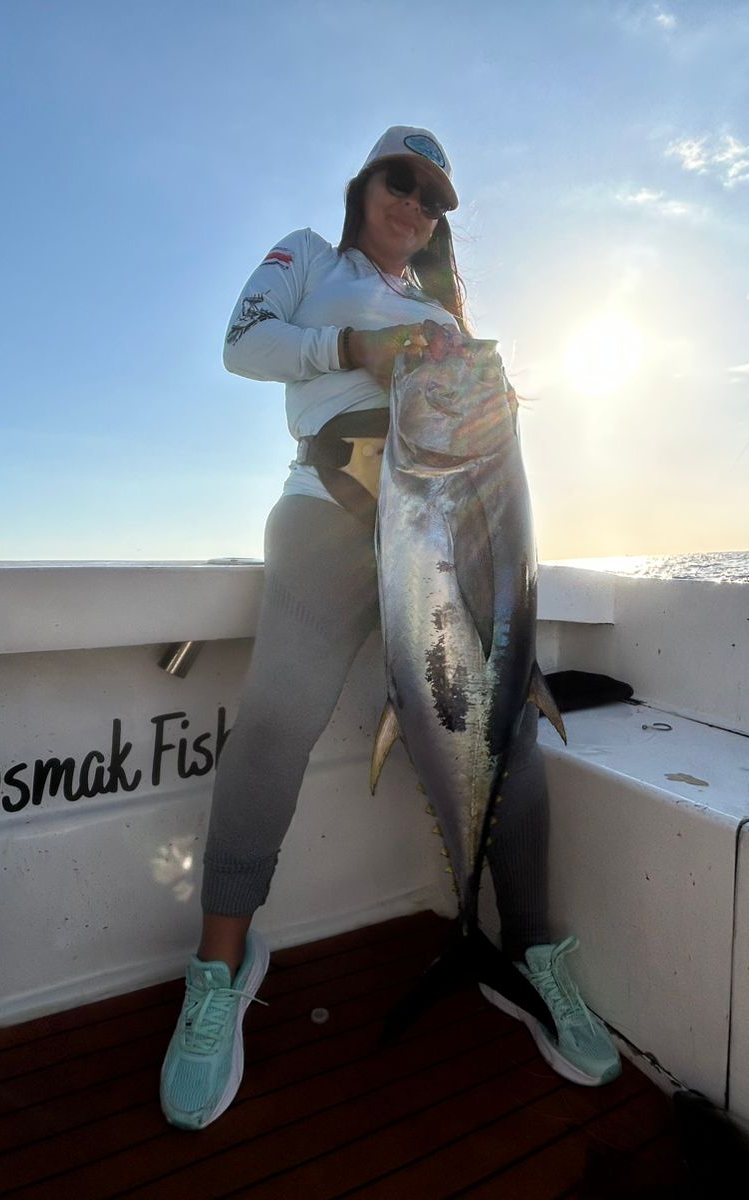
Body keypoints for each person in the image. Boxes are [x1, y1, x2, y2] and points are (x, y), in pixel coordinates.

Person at [159, 126, 620, 1131]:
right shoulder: (309, 260)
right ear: (361, 184)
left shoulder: (441, 312)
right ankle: (220, 970)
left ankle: (530, 952)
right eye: (398, 182)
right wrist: (352, 349)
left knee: (508, 729)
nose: (413, 204)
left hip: (446, 527)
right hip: (330, 515)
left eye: (433, 198)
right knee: (277, 723)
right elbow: (243, 344)